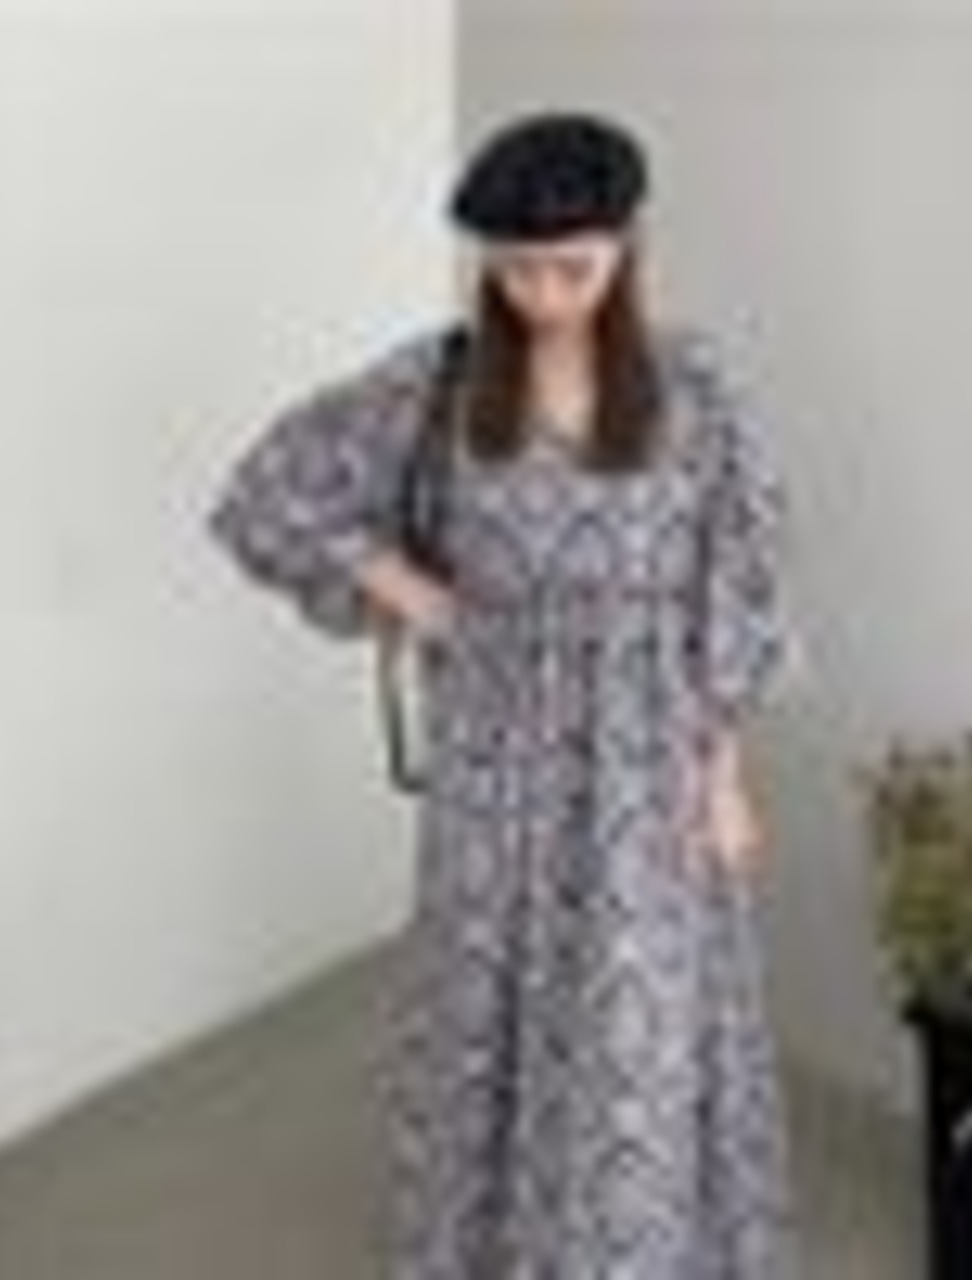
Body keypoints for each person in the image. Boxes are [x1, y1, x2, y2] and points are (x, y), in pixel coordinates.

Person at [206, 107, 807, 1279]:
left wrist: (723, 775)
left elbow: (735, 577)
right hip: (492, 755)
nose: (542, 294)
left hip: (646, 755)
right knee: (487, 1004)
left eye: (571, 267)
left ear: (625, 247)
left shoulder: (694, 387)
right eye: (515, 268)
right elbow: (270, 491)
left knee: (632, 1032)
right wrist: (416, 594)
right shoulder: (437, 382)